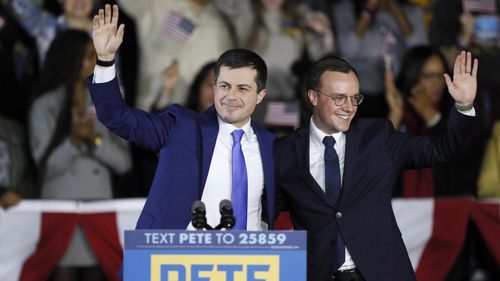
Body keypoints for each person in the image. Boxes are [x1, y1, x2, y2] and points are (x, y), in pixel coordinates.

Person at [274, 51, 478, 280]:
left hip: (381, 272)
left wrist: (463, 104)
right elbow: (264, 213)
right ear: (313, 97)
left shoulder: (377, 137)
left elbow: (443, 150)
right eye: (339, 98)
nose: (349, 107)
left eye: (355, 98)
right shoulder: (283, 152)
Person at [88, 5, 276, 230]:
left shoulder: (271, 145)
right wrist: (106, 60)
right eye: (224, 86)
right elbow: (116, 117)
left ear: (260, 95)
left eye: (243, 88)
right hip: (179, 259)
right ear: (214, 86)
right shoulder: (182, 127)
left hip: (248, 262)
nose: (231, 96)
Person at [29, 30, 131, 281]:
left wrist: (93, 140)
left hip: (98, 211)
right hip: (60, 212)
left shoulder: (109, 103)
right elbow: (45, 168)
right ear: (70, 58)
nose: (92, 62)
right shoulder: (43, 106)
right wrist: (74, 141)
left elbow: (124, 163)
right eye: (87, 56)